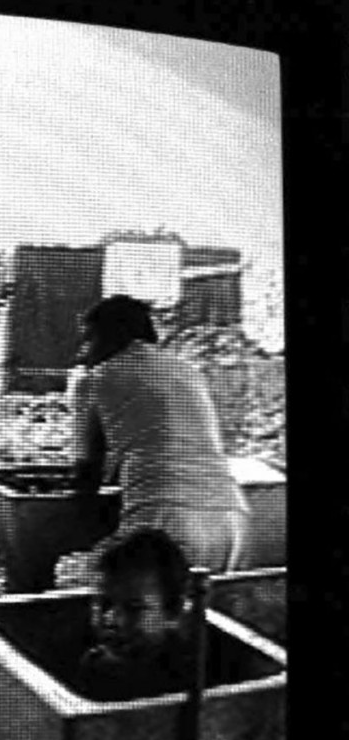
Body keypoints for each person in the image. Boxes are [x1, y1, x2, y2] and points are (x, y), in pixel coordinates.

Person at [69, 294, 250, 576]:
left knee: (107, 591)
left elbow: (87, 471)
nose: (82, 353)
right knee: (200, 602)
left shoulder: (96, 378)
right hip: (232, 520)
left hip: (165, 518)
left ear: (111, 337)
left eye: (88, 339)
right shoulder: (188, 371)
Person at [78, 528, 195, 701]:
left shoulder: (188, 674)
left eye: (134, 609)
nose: (112, 620)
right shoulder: (95, 665)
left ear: (173, 611)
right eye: (104, 603)